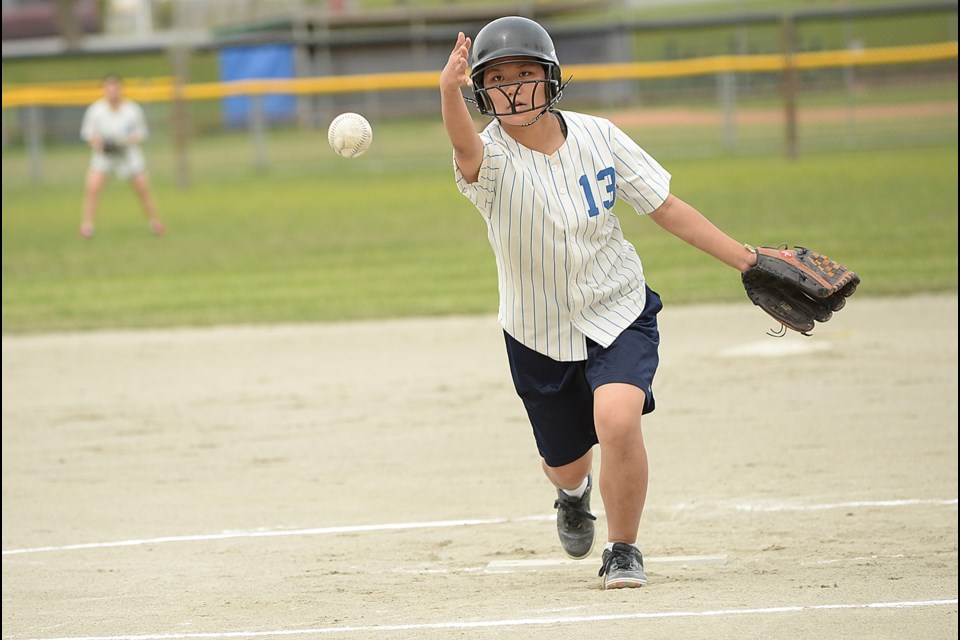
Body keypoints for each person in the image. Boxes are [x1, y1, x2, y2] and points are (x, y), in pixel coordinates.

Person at [439, 16, 760, 590]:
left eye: (526, 74)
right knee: (565, 460)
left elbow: (665, 207)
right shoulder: (487, 161)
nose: (513, 88)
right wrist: (447, 92)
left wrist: (747, 260)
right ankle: (571, 494)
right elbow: (463, 146)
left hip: (618, 305)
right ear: (481, 91)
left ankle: (623, 548)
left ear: (552, 79)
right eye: (498, 78)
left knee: (616, 419)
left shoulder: (599, 136)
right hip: (536, 330)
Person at [78, 74, 165, 239]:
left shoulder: (132, 110)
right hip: (104, 157)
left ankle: (155, 223)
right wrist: (102, 145)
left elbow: (141, 134)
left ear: (121, 89)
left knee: (143, 190)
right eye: (108, 88)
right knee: (92, 189)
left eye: (115, 88)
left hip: (129, 156)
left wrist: (123, 143)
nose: (112, 92)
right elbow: (89, 136)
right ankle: (87, 226)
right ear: (104, 90)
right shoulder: (96, 111)